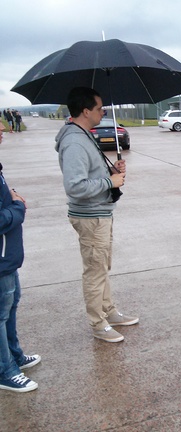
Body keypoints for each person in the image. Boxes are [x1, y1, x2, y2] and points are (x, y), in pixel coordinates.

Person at [55, 87, 138, 343]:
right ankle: (97, 323)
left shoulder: (83, 135)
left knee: (102, 267)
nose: (103, 112)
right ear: (86, 110)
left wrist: (112, 170)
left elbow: (90, 173)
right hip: (90, 216)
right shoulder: (74, 141)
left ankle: (108, 310)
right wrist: (109, 183)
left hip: (100, 213)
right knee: (94, 270)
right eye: (100, 108)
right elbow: (75, 186)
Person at [0, 122, 40, 393]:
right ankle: (5, 371)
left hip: (8, 257)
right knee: (1, 315)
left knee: (12, 306)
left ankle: (14, 356)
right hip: (1, 260)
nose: (2, 131)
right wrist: (18, 206)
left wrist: (11, 196)